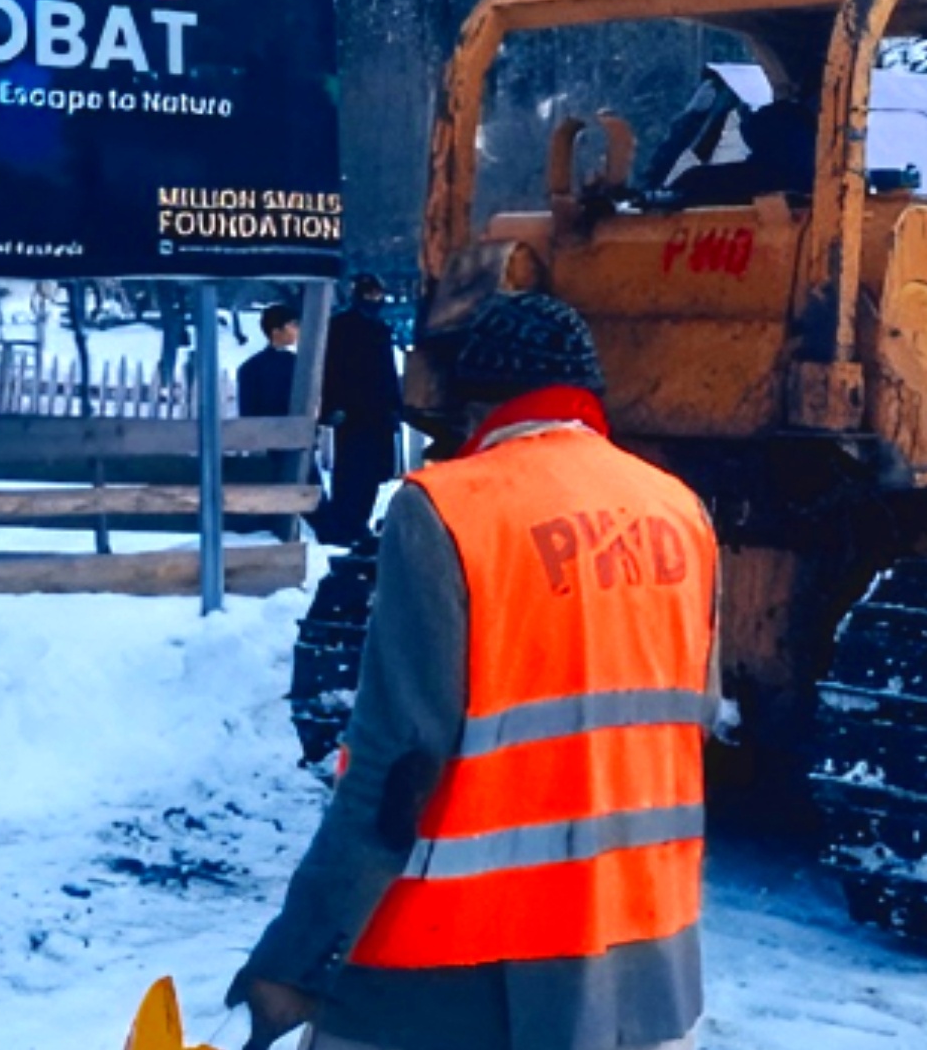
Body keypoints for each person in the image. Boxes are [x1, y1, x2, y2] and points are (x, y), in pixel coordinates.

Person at [230, 291, 720, 1050]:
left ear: (473, 403)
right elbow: (683, 717)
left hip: (453, 976)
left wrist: (296, 960)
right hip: (643, 964)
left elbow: (397, 767)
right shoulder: (680, 510)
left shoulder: (448, 510)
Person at [315, 275, 404, 547]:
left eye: (378, 294)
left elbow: (388, 373)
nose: (375, 300)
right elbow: (330, 369)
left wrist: (394, 407)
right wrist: (332, 406)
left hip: (377, 412)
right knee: (351, 471)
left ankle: (358, 522)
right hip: (352, 413)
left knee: (374, 473)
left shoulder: (380, 328)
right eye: (370, 294)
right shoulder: (340, 327)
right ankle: (346, 524)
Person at [238, 302, 304, 485]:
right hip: (274, 443)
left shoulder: (298, 363)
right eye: (293, 325)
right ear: (277, 331)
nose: (298, 329)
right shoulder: (254, 368)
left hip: (292, 441)